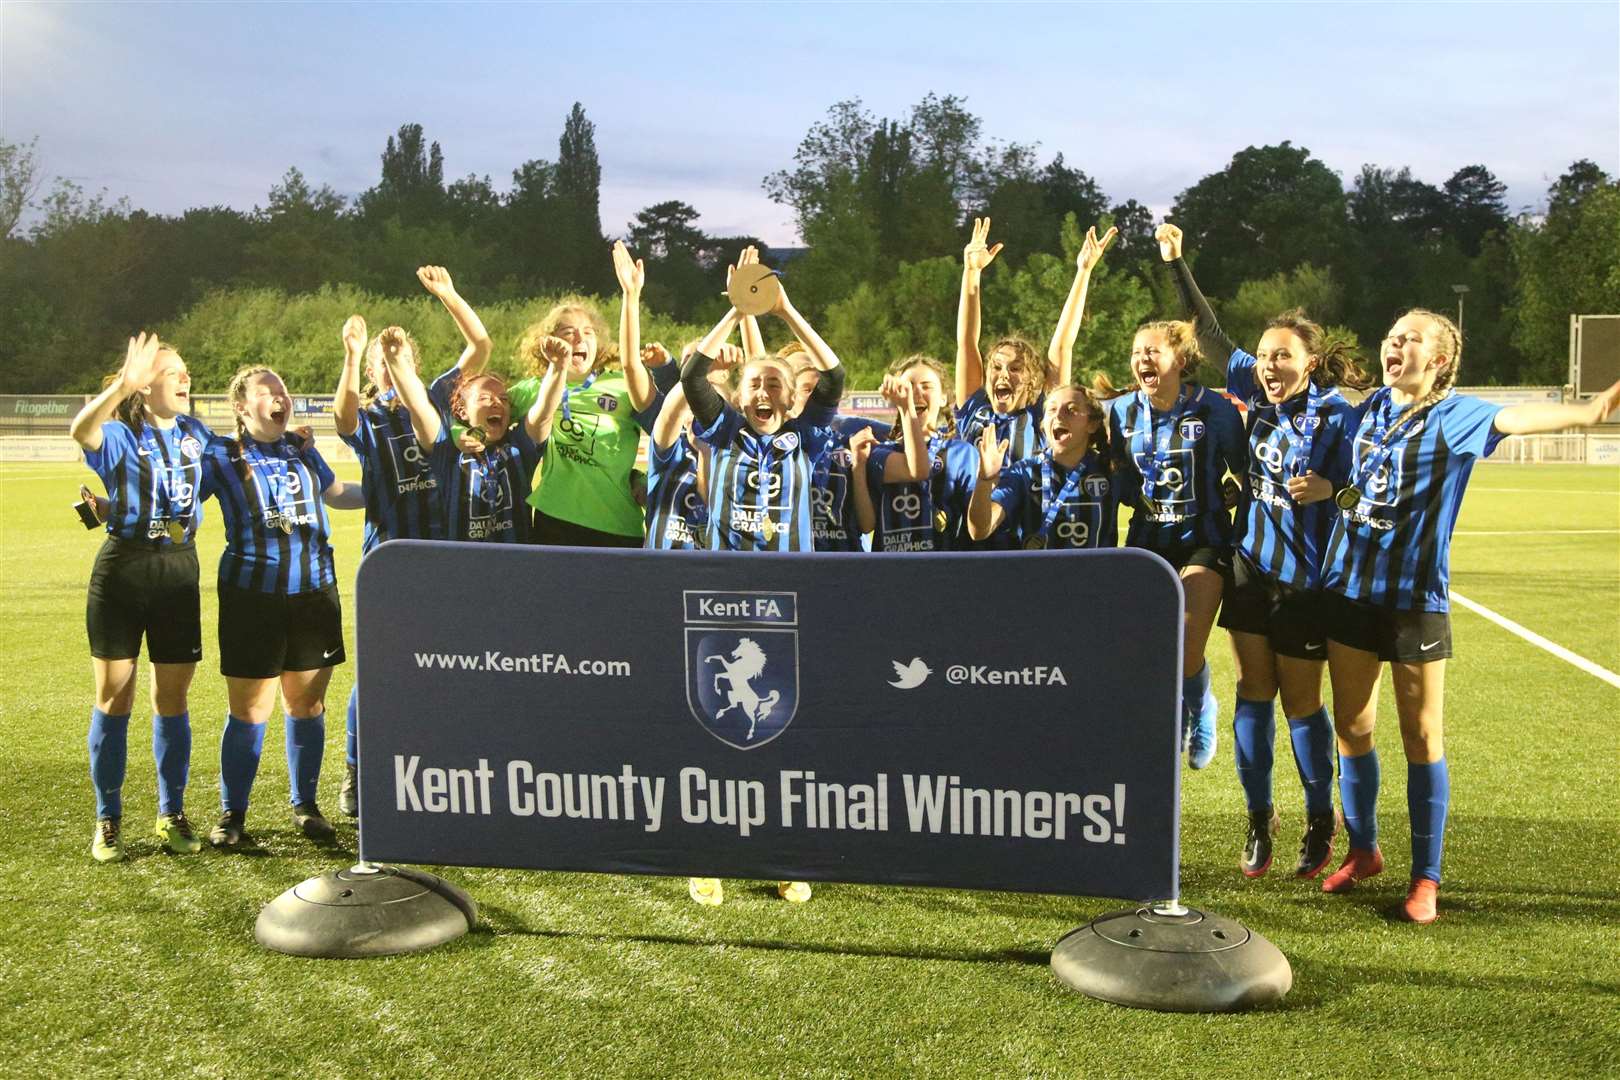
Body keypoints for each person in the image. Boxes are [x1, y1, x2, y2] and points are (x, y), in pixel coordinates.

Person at [1317, 309, 1620, 923]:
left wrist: (1590, 412)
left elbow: (1517, 418)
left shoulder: (1457, 414)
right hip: (1348, 589)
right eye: (1393, 334)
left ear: (1440, 360)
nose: (1397, 343)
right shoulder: (1372, 407)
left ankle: (1425, 877)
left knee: (1422, 735)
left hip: (1413, 599)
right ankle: (1364, 849)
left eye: (1413, 338)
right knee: (1351, 727)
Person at [1158, 223, 1367, 878]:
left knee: (1302, 704)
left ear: (1309, 361)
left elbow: (1369, 496)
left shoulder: (1340, 415)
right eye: (1266, 356)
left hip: (1306, 585)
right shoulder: (1250, 389)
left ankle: (1317, 820)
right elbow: (1210, 332)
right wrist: (1176, 261)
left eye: (1284, 357)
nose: (1270, 366)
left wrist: (1334, 492)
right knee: (1253, 691)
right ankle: (1257, 817)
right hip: (1252, 567)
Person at [331, 264, 491, 815]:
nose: (386, 364)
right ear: (373, 372)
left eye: (392, 357)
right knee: (376, 668)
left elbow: (480, 344)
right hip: (388, 558)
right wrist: (352, 354)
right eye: (378, 362)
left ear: (410, 364)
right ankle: (356, 768)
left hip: (441, 556)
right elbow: (341, 414)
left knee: (446, 661)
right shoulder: (371, 417)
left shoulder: (439, 393)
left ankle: (434, 764)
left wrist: (448, 294)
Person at [200, 365, 366, 847]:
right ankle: (232, 815)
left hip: (314, 594)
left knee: (308, 703)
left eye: (282, 390)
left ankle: (305, 806)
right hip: (252, 597)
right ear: (240, 405)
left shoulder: (302, 448)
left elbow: (337, 494)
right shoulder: (222, 455)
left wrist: (387, 494)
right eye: (267, 391)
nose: (279, 397)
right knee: (250, 711)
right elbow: (183, 499)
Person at [70, 333, 215, 860]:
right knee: (115, 698)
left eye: (184, 371)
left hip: (178, 572)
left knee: (172, 700)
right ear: (145, 385)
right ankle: (108, 820)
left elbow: (238, 463)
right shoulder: (120, 434)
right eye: (173, 372)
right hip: (124, 572)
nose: (185, 379)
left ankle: (170, 812)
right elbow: (79, 430)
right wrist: (120, 389)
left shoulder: (198, 434)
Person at [1099, 320, 1247, 770]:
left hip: (1204, 537)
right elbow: (1123, 481)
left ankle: (1200, 708)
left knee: (1184, 639)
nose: (1143, 359)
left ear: (1179, 361)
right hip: (1146, 541)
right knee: (1151, 648)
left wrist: (1233, 494)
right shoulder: (1121, 411)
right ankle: (1175, 709)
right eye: (1137, 351)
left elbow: (1243, 473)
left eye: (1153, 351)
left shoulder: (1216, 410)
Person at [509, 241, 665, 547]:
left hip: (618, 524)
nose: (579, 337)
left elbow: (669, 436)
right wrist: (468, 430)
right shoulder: (534, 389)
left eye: (588, 332)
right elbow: (483, 414)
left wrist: (631, 296)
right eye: (567, 331)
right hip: (555, 519)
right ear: (548, 342)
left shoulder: (623, 384)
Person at [680, 278, 846, 553]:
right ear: (739, 398)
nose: (763, 393)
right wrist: (737, 309)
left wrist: (786, 311)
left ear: (791, 398)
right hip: (726, 575)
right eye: (754, 384)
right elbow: (692, 377)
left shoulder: (804, 435)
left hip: (791, 576)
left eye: (774, 385)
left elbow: (834, 377)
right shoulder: (725, 430)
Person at [379, 328, 558, 544]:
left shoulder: (519, 445)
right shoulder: (447, 448)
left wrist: (558, 367)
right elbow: (419, 407)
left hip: (516, 565)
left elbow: (545, 412)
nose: (496, 403)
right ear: (462, 411)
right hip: (460, 566)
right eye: (484, 398)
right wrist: (395, 360)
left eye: (503, 399)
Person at [966, 385, 1117, 550]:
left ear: (1092, 424)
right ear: (1043, 425)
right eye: (1052, 409)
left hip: (1096, 575)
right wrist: (984, 480)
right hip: (1036, 575)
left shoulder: (1111, 471)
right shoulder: (1025, 472)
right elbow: (979, 530)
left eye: (1071, 410)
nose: (1058, 415)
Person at [859, 360, 962, 552]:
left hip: (946, 572)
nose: (916, 392)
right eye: (908, 386)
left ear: (944, 398)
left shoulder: (960, 452)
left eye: (926, 386)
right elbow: (867, 525)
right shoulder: (880, 453)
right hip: (891, 574)